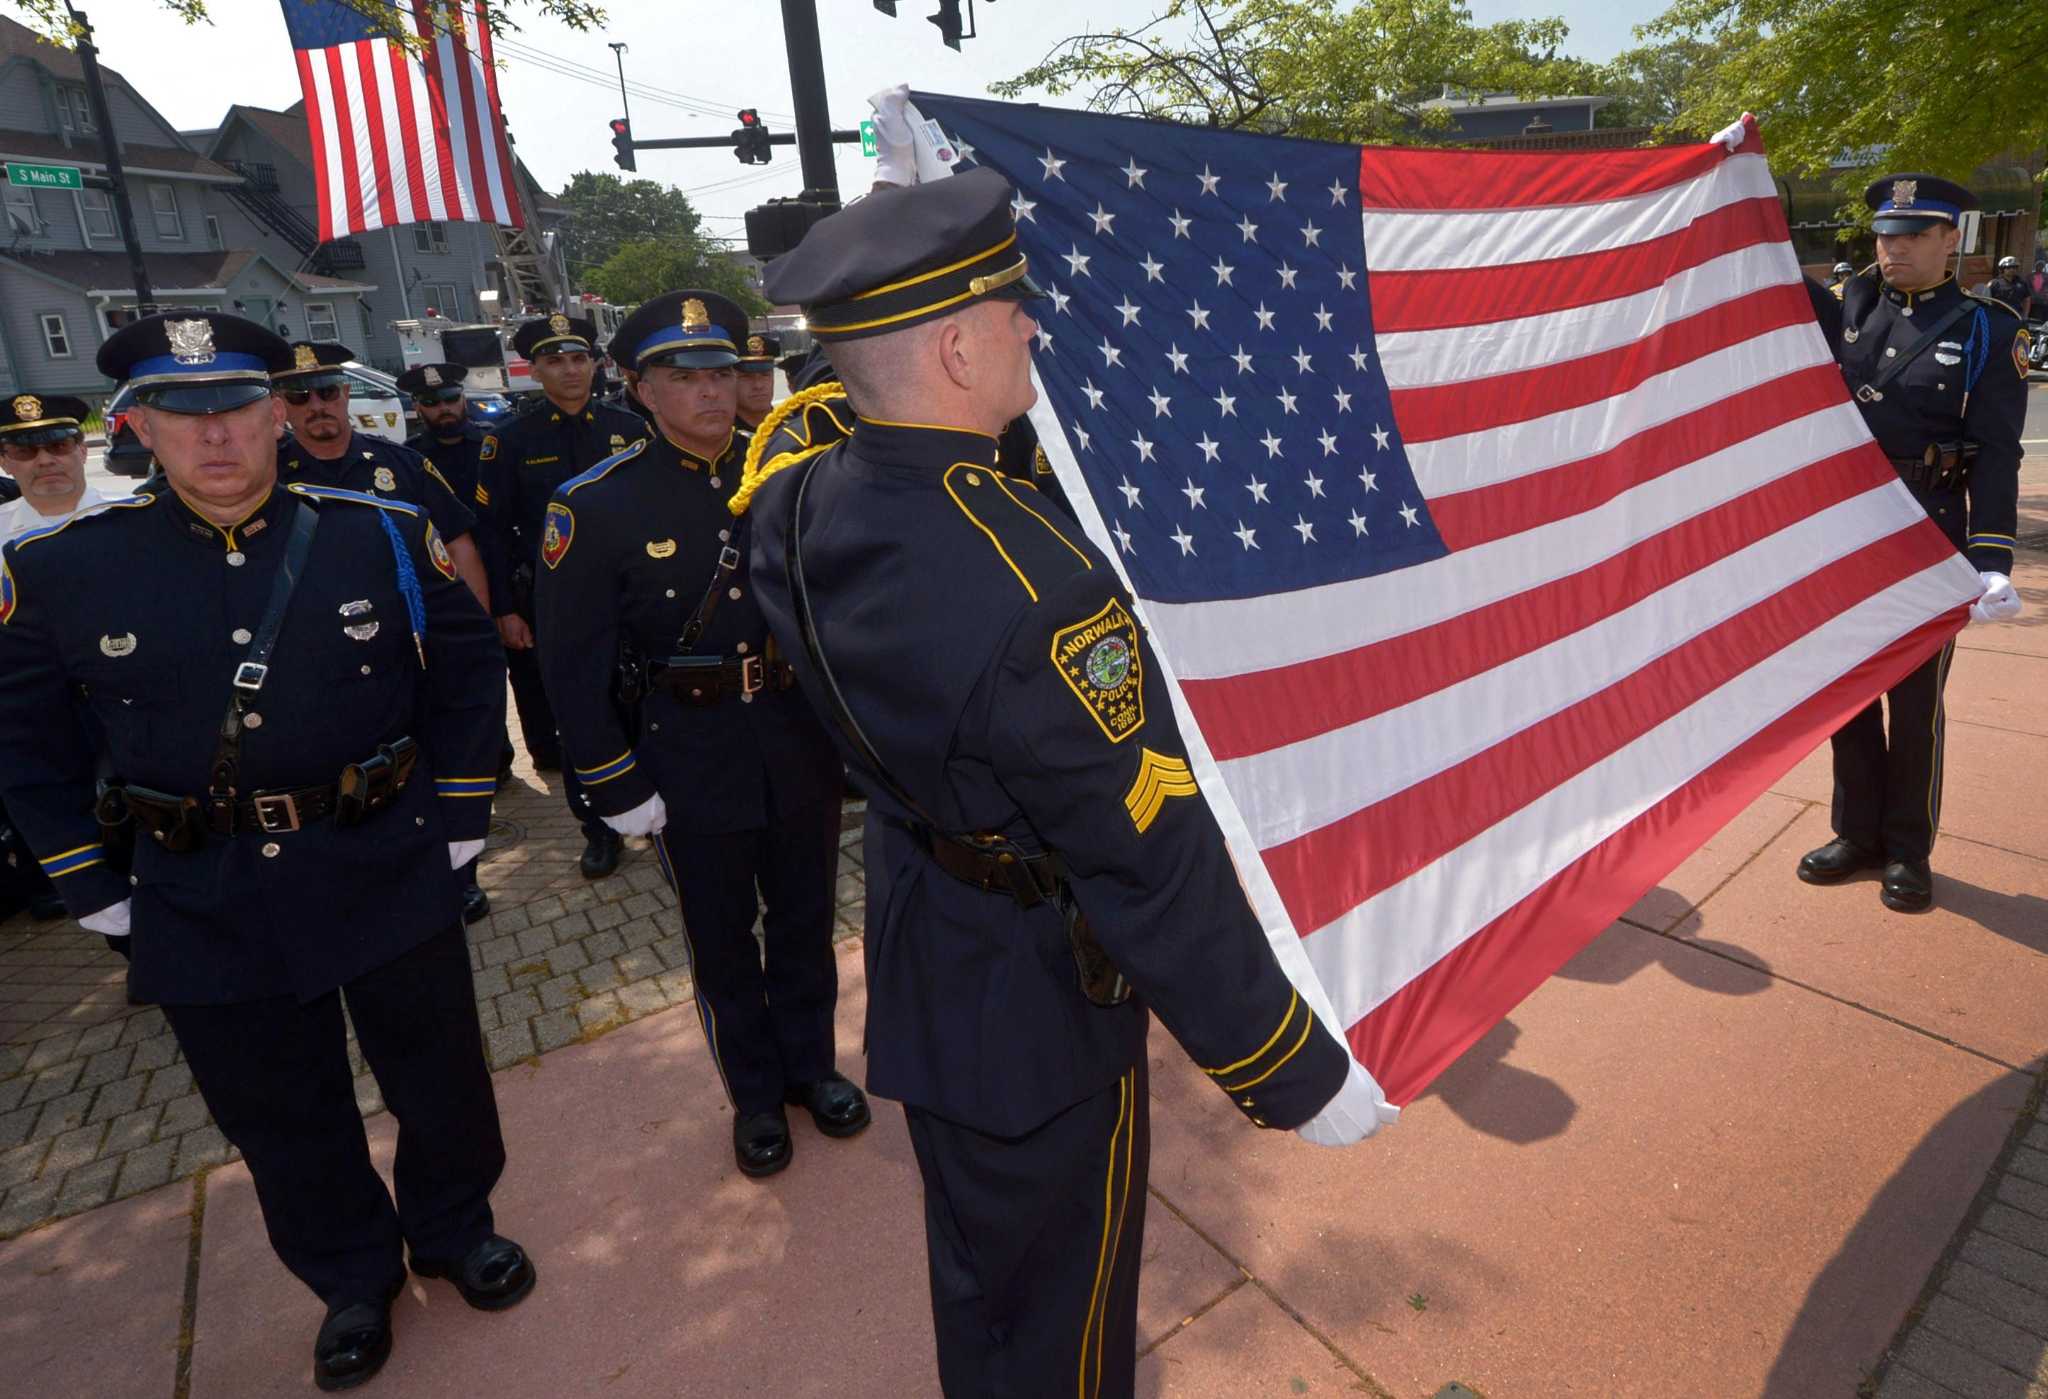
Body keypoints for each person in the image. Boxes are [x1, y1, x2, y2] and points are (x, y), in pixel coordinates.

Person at [738, 169, 1382, 1395]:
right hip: (1034, 1000)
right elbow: (1151, 864)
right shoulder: (1041, 593)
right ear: (955, 347)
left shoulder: (793, 497)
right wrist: (1286, 1066)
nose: (1033, 324)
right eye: (1010, 307)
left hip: (929, 934)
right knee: (1063, 1323)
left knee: (986, 1289)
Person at [0, 311, 532, 1392]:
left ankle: (450, 1226)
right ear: (136, 424)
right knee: (278, 1108)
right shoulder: (62, 570)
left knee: (437, 1076)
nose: (218, 438)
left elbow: (468, 668)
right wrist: (93, 891)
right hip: (202, 883)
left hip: (382, 848)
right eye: (183, 414)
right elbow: (27, 747)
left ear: (277, 414)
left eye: (240, 408)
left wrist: (464, 812)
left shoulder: (370, 528)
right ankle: (348, 1275)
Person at [533, 291, 862, 1178]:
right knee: (722, 939)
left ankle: (812, 1068)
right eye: (685, 377)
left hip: (794, 735)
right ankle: (756, 1096)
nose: (713, 393)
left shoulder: (793, 475)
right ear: (639, 388)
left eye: (724, 373)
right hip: (687, 747)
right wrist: (614, 781)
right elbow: (572, 666)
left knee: (803, 920)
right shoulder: (595, 505)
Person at [1797, 174, 2029, 912]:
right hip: (1848, 533)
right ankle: (1855, 833)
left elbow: (1998, 452)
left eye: (1913, 234)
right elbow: (1767, 279)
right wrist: (1733, 187)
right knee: (1851, 694)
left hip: (1928, 531)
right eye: (1885, 235)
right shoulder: (1854, 306)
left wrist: (1991, 558)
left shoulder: (1988, 327)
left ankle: (1907, 848)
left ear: (1949, 240)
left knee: (1915, 699)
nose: (1893, 247)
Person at [276, 342, 493, 923]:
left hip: (412, 648)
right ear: (281, 406)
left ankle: (457, 874)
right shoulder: (269, 477)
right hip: (321, 660)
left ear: (346, 395)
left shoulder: (399, 465)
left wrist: (476, 631)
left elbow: (458, 543)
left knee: (433, 759)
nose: (316, 405)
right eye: (299, 396)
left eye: (326, 392)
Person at [479, 314, 650, 878]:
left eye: (579, 358)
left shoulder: (630, 427)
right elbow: (493, 532)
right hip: (554, 604)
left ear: (595, 364)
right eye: (555, 361)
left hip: (633, 597)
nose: (570, 370)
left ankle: (654, 811)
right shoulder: (509, 441)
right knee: (578, 709)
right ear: (535, 369)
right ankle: (598, 826)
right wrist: (505, 608)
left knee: (645, 704)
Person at [401, 362, 515, 788]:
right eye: (432, 402)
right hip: (440, 577)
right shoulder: (410, 459)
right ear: (417, 407)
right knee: (457, 673)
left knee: (500, 670)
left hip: (496, 566)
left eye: (450, 398)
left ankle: (511, 751)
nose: (444, 409)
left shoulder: (492, 444)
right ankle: (489, 756)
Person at [1, 393, 104, 546]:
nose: (45, 461)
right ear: (3, 462)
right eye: (25, 451)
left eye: (59, 446)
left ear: (82, 451)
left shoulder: (136, 516)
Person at [735, 330, 781, 431]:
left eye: (765, 375)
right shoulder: (721, 437)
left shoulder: (793, 429)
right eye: (746, 377)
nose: (758, 385)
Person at [1986, 255, 2033, 320]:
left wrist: (2025, 315)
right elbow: (1986, 299)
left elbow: (2027, 299)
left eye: (2014, 267)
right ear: (2002, 269)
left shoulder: (2022, 283)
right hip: (1998, 317)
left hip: (2016, 316)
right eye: (2008, 267)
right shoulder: (1994, 283)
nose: (2012, 270)